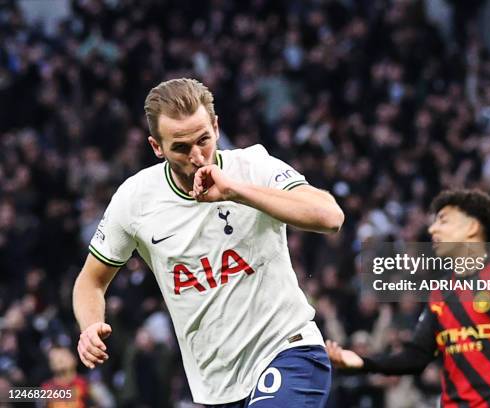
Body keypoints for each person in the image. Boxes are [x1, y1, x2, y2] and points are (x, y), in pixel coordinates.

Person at [73, 78, 344, 407]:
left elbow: (330, 216)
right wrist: (89, 326)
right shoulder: (135, 200)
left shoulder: (253, 167)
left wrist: (234, 191)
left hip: (288, 350)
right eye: (181, 148)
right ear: (157, 147)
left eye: (204, 139)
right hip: (214, 386)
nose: (198, 156)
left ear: (216, 127)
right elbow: (90, 281)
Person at [327, 189, 490, 407]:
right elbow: (416, 356)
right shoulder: (440, 292)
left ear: (471, 228)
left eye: (443, 221)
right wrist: (362, 362)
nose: (432, 230)